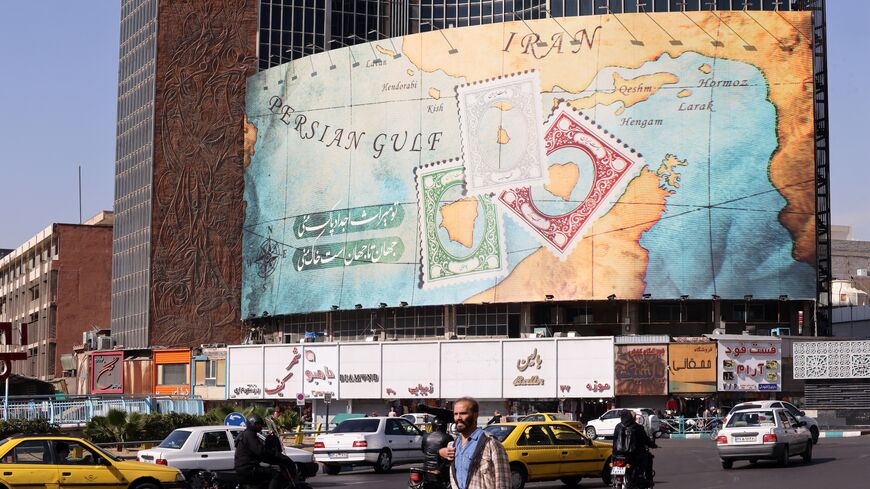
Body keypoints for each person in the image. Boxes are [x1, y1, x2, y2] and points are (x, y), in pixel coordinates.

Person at [439, 397, 510, 489]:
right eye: (456, 414)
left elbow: (503, 483)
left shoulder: (490, 444)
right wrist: (440, 453)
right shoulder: (453, 445)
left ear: (475, 415)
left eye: (463, 413)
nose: (458, 418)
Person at [234, 414, 295, 489]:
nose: (260, 426)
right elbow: (260, 451)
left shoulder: (246, 434)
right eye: (258, 424)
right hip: (247, 468)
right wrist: (275, 455)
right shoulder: (250, 435)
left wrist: (273, 458)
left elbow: (259, 453)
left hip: (244, 467)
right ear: (253, 424)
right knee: (275, 474)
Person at [612, 410, 657, 487]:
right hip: (633, 454)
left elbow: (614, 441)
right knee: (648, 458)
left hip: (618, 454)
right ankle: (645, 478)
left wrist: (615, 451)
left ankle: (616, 478)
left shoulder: (618, 426)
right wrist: (653, 445)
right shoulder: (637, 427)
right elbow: (645, 440)